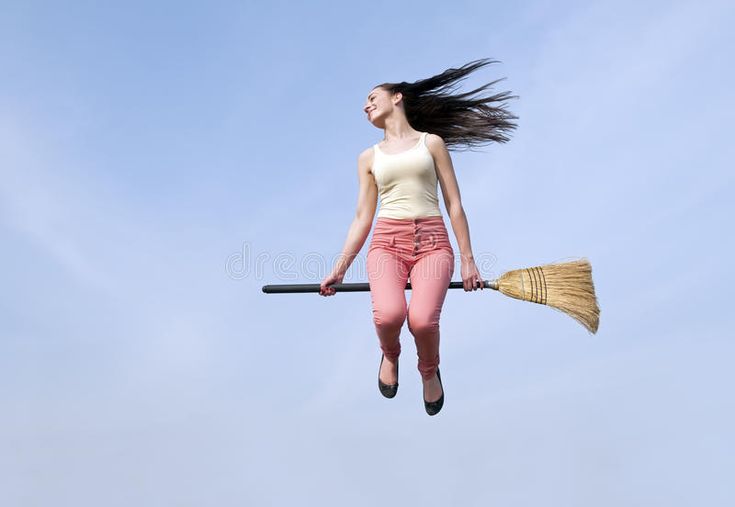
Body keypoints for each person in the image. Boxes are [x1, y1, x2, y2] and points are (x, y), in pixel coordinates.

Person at [319, 58, 518, 416]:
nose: (365, 105)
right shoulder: (368, 157)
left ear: (397, 98)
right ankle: (390, 354)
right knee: (388, 316)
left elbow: (455, 205)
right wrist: (340, 267)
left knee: (423, 320)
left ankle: (429, 370)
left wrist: (468, 259)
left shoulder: (432, 143)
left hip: (432, 243)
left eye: (372, 96)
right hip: (386, 243)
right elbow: (363, 217)